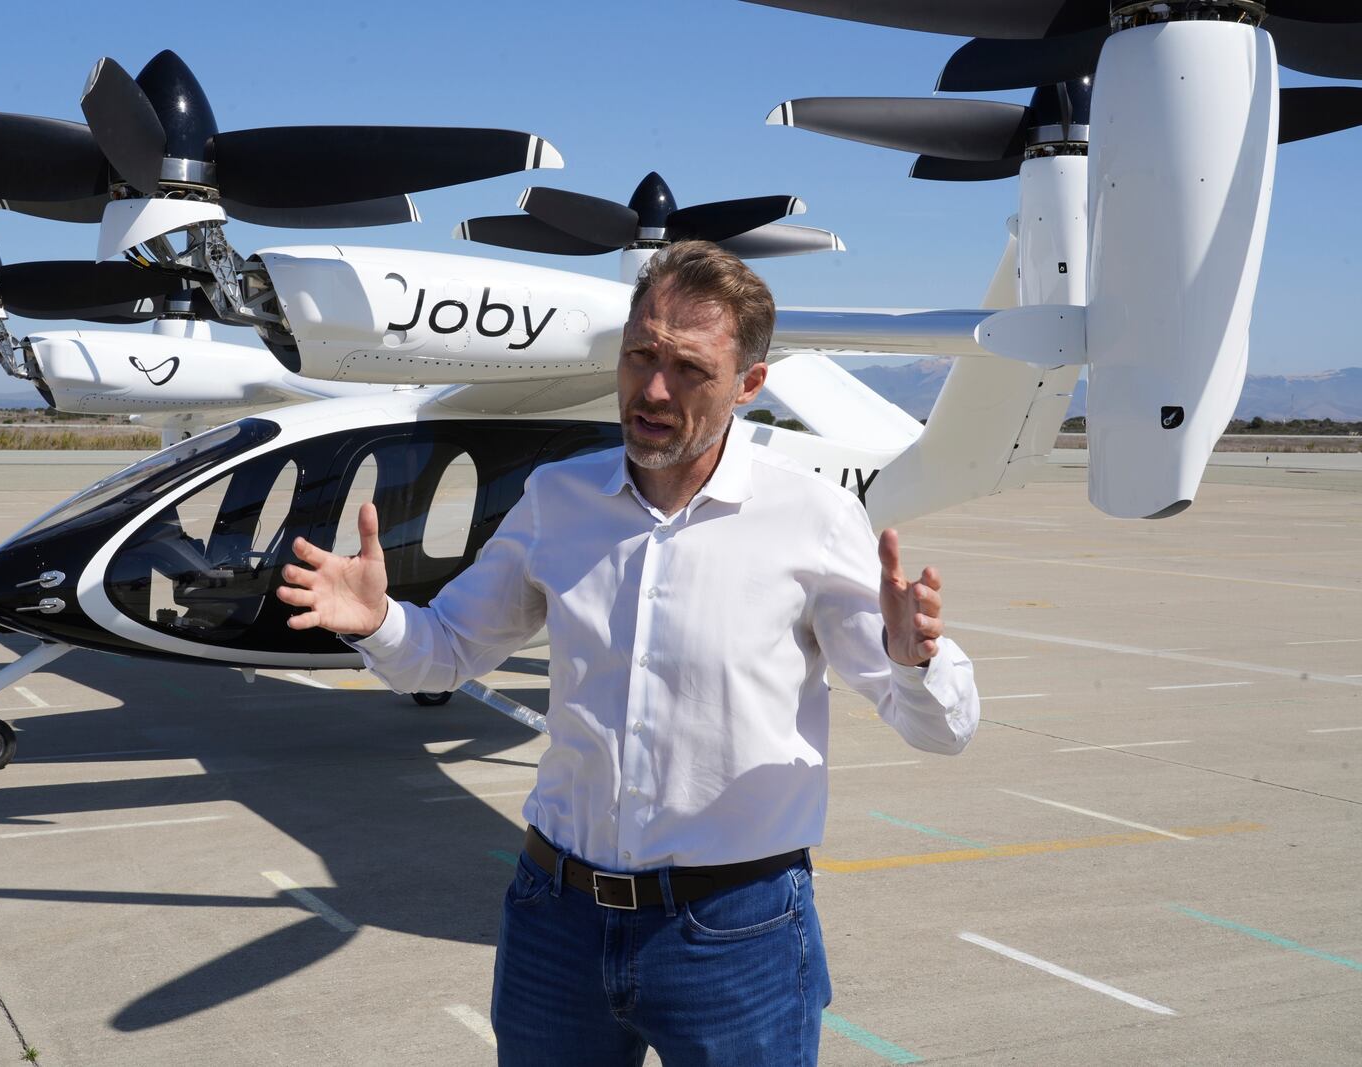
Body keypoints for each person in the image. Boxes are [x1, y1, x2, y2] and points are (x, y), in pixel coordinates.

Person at [276, 241, 979, 1065]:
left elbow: (941, 729)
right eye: (640, 355)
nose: (651, 390)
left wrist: (912, 656)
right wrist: (377, 621)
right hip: (555, 924)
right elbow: (449, 650)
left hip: (734, 933)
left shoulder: (812, 517)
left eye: (688, 368)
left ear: (749, 384)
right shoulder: (556, 500)